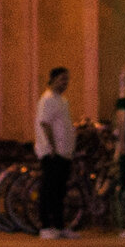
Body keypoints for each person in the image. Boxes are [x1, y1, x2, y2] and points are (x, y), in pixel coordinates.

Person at [31, 66, 77, 236]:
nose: (65, 83)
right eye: (62, 79)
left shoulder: (62, 100)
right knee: (49, 189)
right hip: (52, 153)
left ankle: (59, 225)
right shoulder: (48, 99)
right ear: (52, 79)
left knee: (60, 190)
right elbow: (45, 124)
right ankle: (45, 226)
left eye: (67, 79)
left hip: (64, 152)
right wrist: (52, 148)